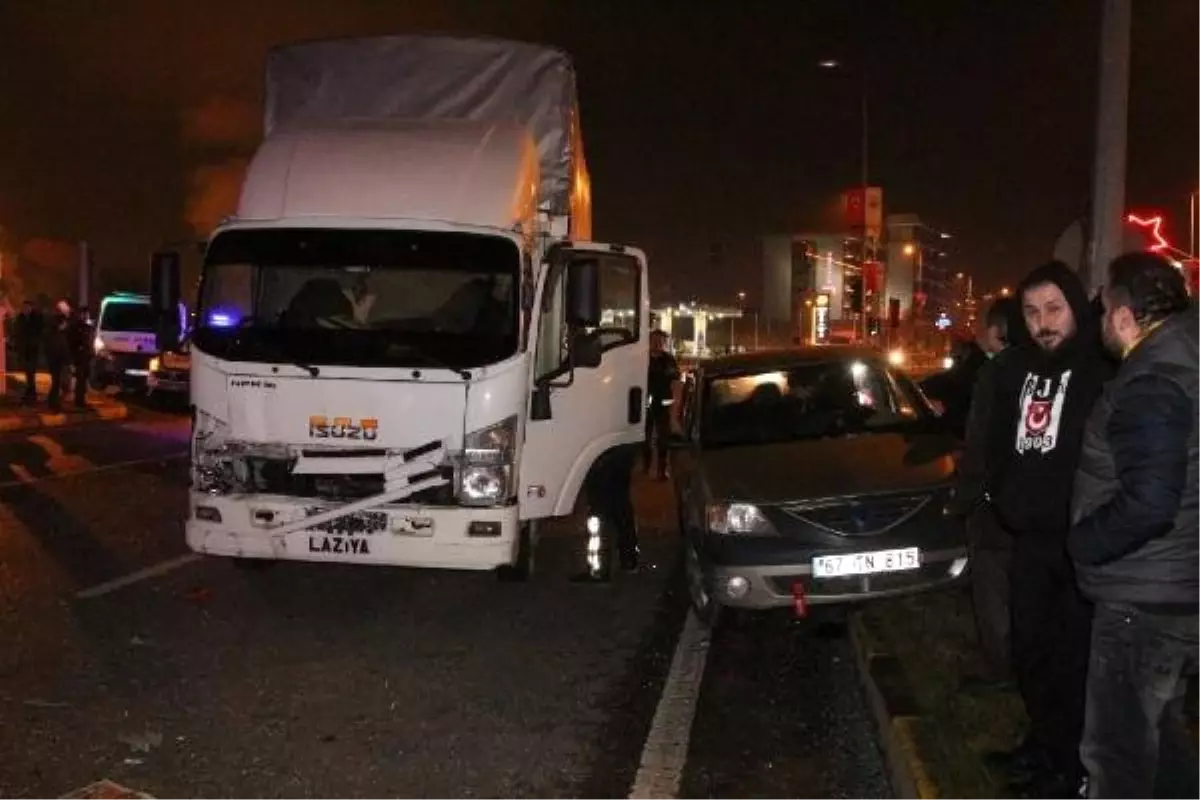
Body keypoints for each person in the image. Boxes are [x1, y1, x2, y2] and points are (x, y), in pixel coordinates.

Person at [1069, 252, 1200, 799]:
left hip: (1141, 601)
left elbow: (1150, 502)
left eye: (1104, 311)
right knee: (1163, 744)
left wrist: (1083, 542)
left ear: (1124, 316)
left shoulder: (1152, 380)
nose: (1101, 323)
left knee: (1116, 755)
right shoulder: (1186, 357)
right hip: (1174, 588)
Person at [983, 261, 1115, 796]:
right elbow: (999, 440)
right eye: (1032, 312)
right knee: (1031, 648)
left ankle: (1073, 766)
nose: (1043, 323)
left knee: (1075, 658)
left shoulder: (1101, 372)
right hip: (1030, 538)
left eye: (1054, 309)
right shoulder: (1017, 369)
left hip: (1081, 543)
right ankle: (1043, 744)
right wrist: (1003, 495)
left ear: (1077, 307)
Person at [948, 295, 1025, 692]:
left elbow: (979, 443)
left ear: (997, 331)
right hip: (1028, 503)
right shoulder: (1038, 369)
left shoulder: (996, 375)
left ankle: (999, 667)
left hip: (994, 503)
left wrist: (964, 498)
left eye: (982, 324)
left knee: (992, 587)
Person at [644, 330, 681, 479]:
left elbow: (676, 382)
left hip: (663, 403)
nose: (657, 344)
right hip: (645, 403)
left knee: (663, 439)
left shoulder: (669, 360)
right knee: (644, 438)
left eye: (660, 341)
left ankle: (662, 469)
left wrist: (676, 405)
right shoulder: (643, 359)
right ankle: (645, 466)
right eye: (654, 341)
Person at [43, 299, 72, 412]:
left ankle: (54, 402)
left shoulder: (58, 329)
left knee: (58, 382)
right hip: (56, 358)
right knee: (57, 381)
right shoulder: (54, 326)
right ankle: (53, 403)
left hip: (58, 358)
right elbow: (57, 345)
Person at [13, 300, 44, 404]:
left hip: (33, 349)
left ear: (31, 308)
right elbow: (17, 331)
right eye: (24, 307)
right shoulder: (21, 318)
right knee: (28, 372)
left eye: (27, 307)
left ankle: (31, 394)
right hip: (24, 349)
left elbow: (39, 331)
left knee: (31, 372)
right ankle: (30, 393)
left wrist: (36, 343)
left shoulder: (36, 318)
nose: (25, 309)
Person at [66, 305, 94, 408]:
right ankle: (79, 401)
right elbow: (71, 342)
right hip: (79, 357)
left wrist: (91, 353)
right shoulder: (75, 327)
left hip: (87, 357)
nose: (85, 315)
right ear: (80, 314)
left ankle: (81, 400)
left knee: (84, 379)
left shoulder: (88, 327)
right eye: (83, 313)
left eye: (87, 313)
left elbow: (90, 342)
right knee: (80, 379)